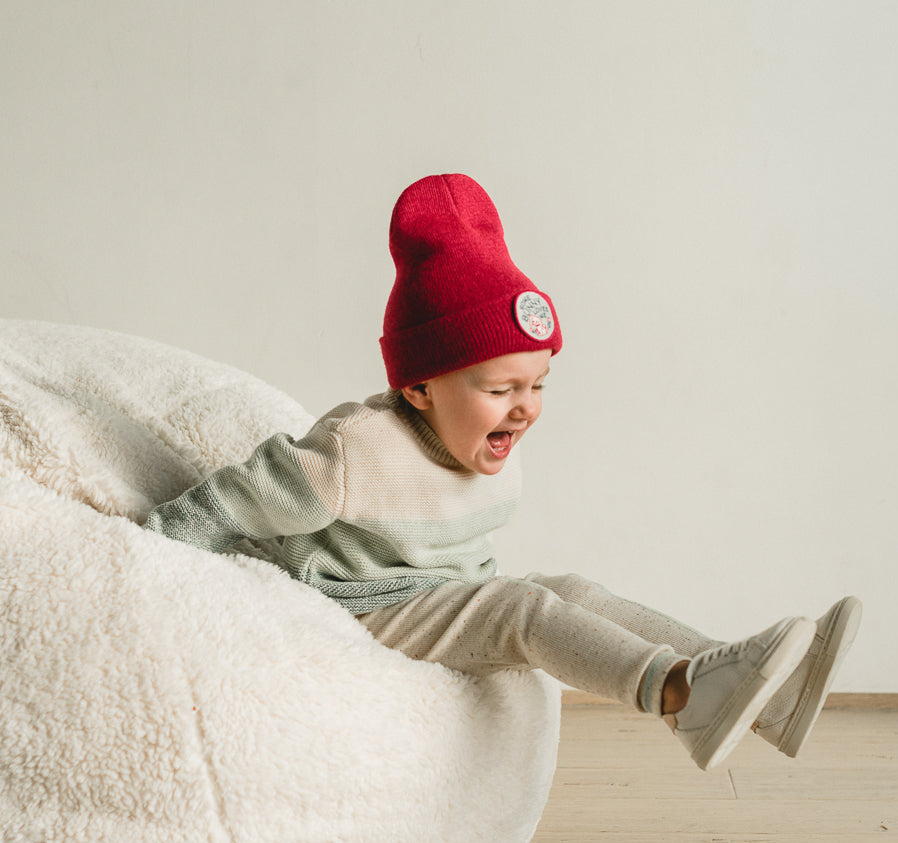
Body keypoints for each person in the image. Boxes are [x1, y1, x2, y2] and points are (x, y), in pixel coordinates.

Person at [145, 173, 861, 771]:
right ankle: (681, 698)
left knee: (572, 589)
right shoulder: (358, 450)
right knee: (524, 612)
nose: (524, 411)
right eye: (500, 390)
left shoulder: (488, 447)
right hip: (363, 604)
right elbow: (243, 497)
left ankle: (760, 693)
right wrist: (153, 542)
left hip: (446, 593)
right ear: (421, 387)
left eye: (539, 385)